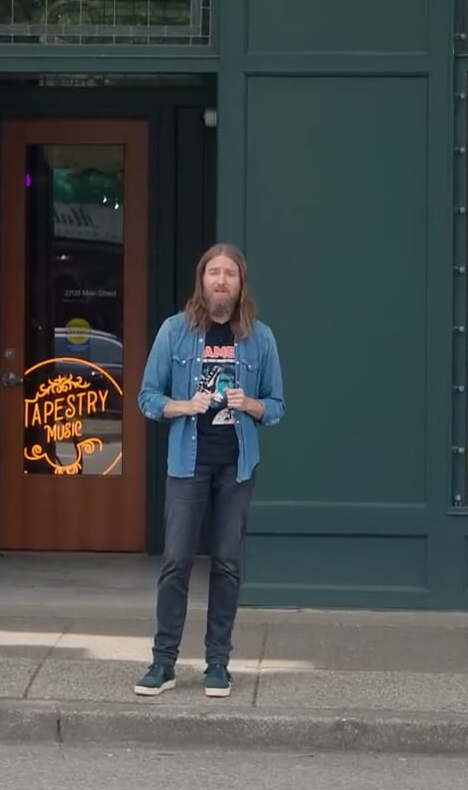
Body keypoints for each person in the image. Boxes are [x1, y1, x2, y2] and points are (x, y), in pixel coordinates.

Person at [132, 243, 285, 698]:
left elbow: (276, 406)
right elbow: (147, 397)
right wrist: (183, 406)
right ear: (201, 280)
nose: (221, 280)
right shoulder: (174, 332)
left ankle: (218, 663)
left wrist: (250, 403)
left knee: (227, 564)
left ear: (241, 284)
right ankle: (163, 663)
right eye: (213, 272)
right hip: (188, 463)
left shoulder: (261, 338)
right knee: (176, 561)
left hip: (237, 466)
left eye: (229, 274)